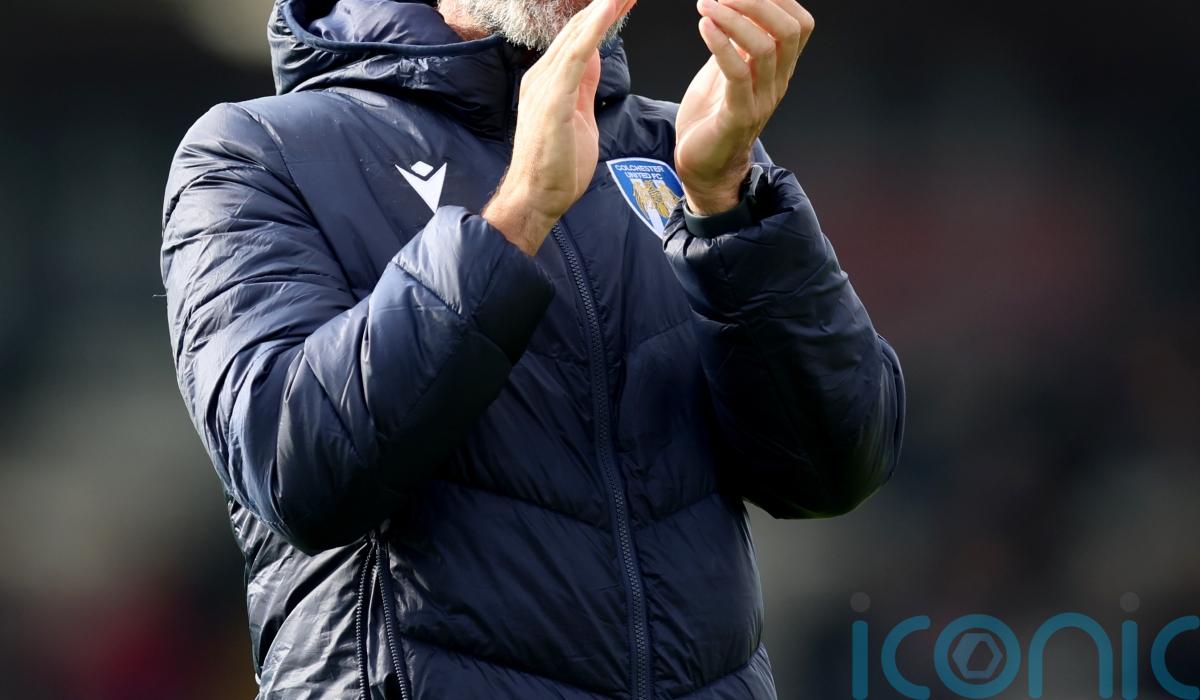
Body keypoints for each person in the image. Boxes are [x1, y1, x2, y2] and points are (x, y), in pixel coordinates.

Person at [160, 0, 905, 696]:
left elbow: (839, 469)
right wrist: (520, 211)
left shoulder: (682, 149)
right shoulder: (255, 152)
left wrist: (727, 206)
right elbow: (295, 467)